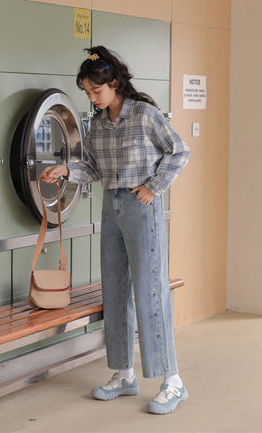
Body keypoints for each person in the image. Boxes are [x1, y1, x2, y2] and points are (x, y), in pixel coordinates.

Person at [41, 46, 190, 415]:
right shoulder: (96, 125)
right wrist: (66, 171)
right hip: (112, 206)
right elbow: (92, 168)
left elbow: (179, 151)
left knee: (150, 291)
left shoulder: (145, 115)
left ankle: (173, 382)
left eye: (97, 91)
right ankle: (124, 374)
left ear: (114, 83)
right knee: (116, 289)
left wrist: (153, 187)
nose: (92, 98)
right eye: (88, 93)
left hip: (142, 206)